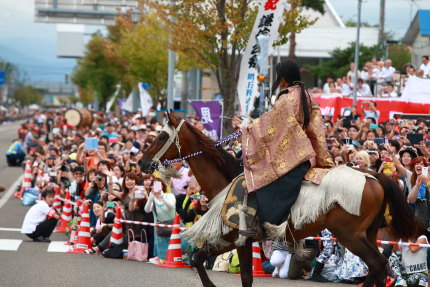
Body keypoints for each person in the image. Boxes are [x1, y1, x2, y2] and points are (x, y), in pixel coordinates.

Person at [240, 60, 335, 236]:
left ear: (283, 78)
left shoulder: (286, 98)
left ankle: (268, 225)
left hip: (291, 157)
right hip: (305, 153)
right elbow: (315, 129)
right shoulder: (306, 95)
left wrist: (249, 128)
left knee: (264, 179)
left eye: (278, 76)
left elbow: (270, 125)